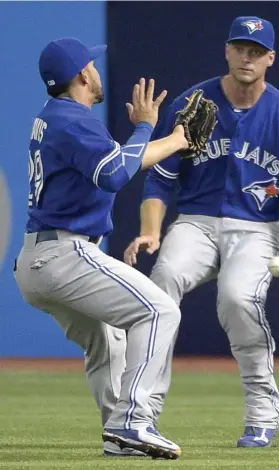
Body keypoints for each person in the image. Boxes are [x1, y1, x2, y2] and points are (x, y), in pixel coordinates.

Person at [124, 16, 279, 448]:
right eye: (240, 48)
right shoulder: (194, 103)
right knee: (162, 286)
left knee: (237, 299)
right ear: (227, 51)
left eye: (256, 51)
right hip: (195, 222)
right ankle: (138, 416)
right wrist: (151, 232)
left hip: (256, 229)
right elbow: (159, 179)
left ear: (270, 58)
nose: (246, 57)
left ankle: (263, 412)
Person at [14, 37, 190, 460]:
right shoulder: (74, 120)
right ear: (81, 76)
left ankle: (121, 435)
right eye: (91, 63)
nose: (96, 69)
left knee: (107, 344)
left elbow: (119, 160)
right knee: (159, 309)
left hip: (37, 259)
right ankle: (132, 420)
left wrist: (174, 140)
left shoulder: (54, 117)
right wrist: (147, 127)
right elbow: (114, 174)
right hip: (64, 253)